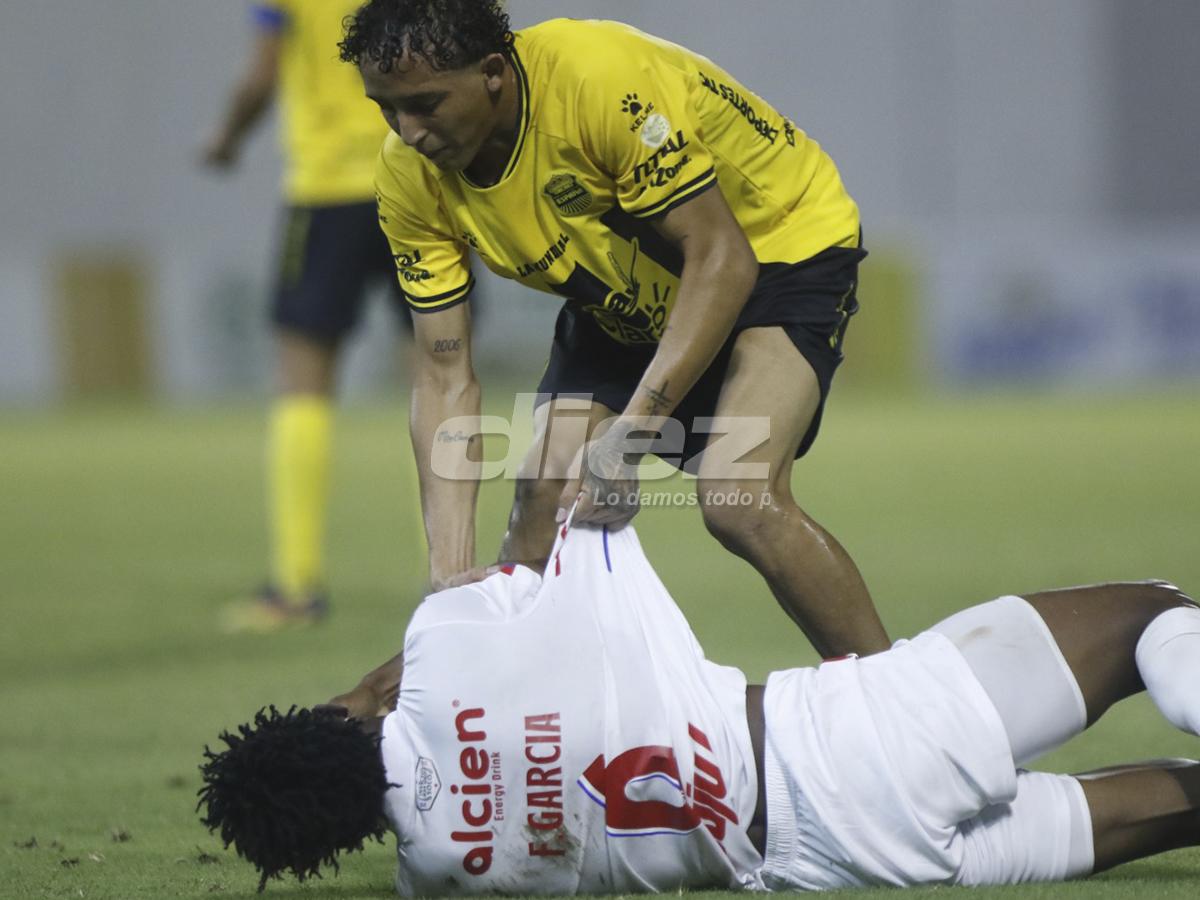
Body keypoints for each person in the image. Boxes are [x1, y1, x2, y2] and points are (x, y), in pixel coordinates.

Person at [199, 517, 1200, 894]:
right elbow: (568, 531)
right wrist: (379, 688)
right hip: (848, 741)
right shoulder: (447, 644)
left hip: (843, 868)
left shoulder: (439, 878)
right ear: (327, 719)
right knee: (1154, 616)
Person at [337, 0, 889, 657]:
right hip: (626, 282)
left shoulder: (597, 83)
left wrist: (631, 434)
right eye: (386, 108)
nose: (409, 131)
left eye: (426, 104)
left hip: (776, 247)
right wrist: (450, 574)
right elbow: (442, 374)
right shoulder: (408, 177)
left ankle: (900, 711)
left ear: (492, 73)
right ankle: (518, 733)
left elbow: (720, 258)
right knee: (545, 487)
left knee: (738, 496)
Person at [201, 0, 410, 630]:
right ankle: (454, 586)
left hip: (326, 190)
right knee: (442, 375)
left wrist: (226, 140)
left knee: (302, 383)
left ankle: (296, 585)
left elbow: (261, 77)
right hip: (423, 176)